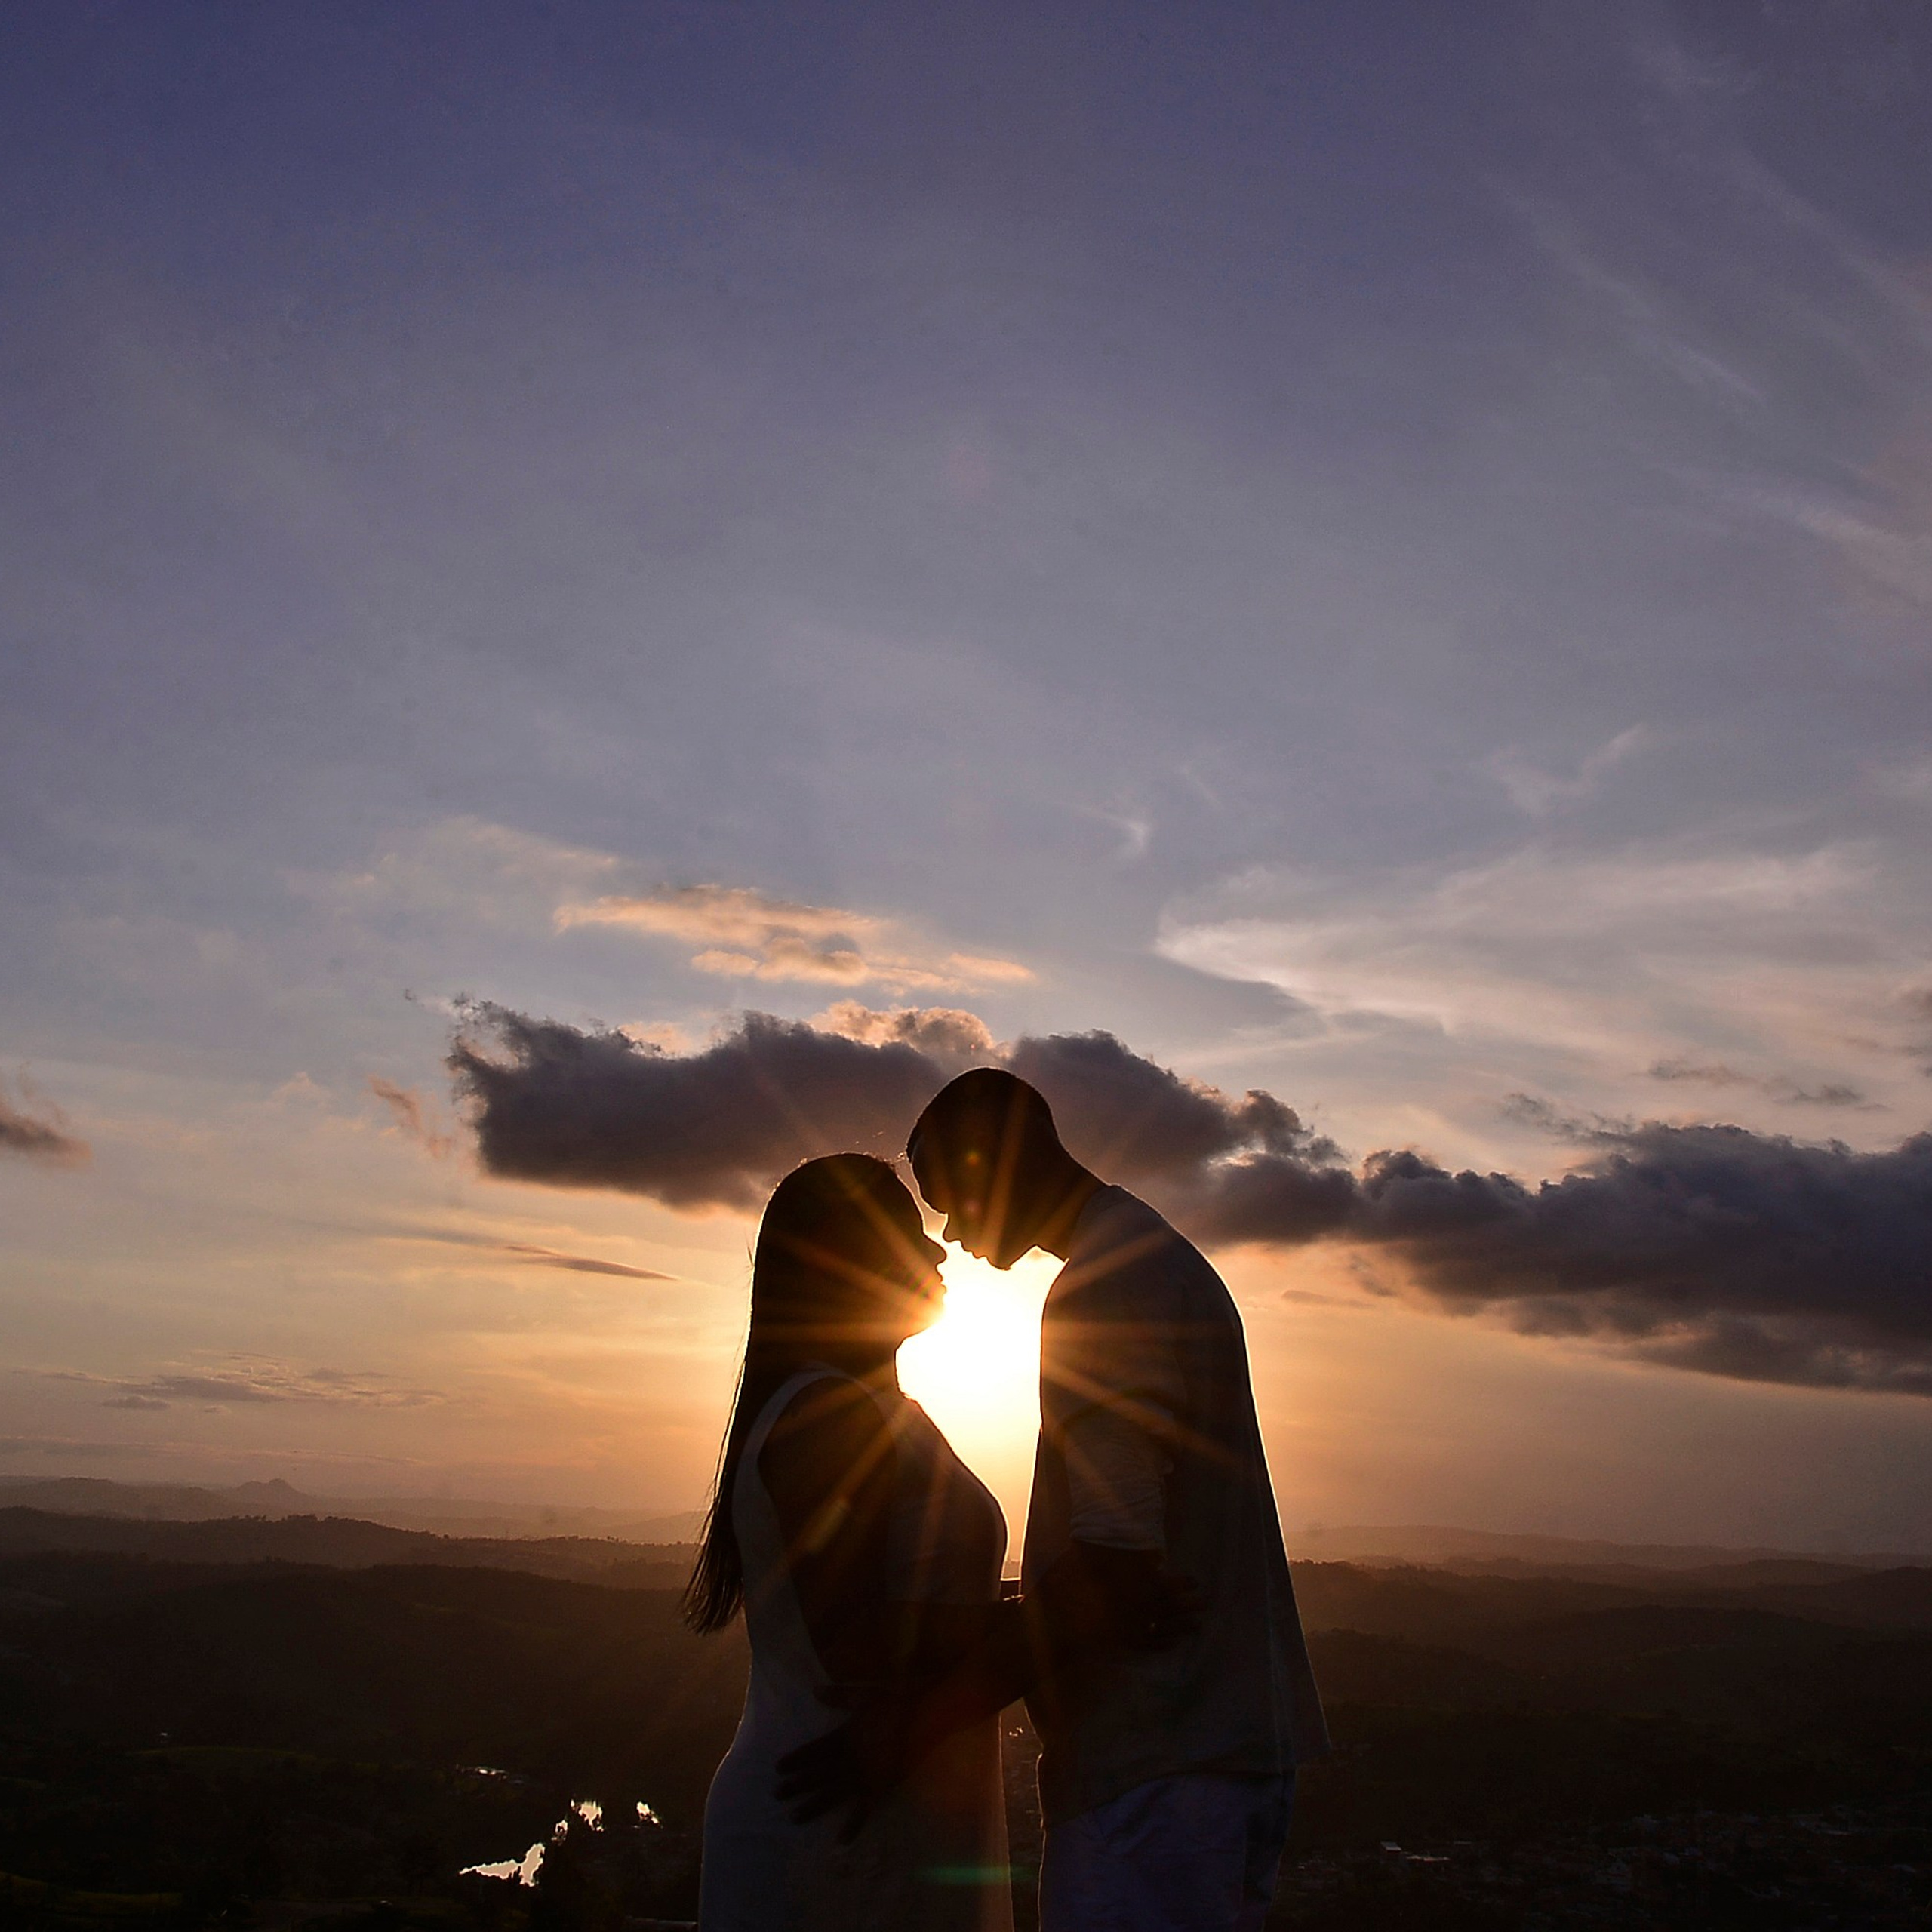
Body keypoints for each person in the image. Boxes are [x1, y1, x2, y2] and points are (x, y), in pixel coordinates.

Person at [906, 1067, 1329, 1932]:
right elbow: (1123, 1561)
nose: (948, 1233)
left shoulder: (1104, 1289)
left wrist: (915, 1723)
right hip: (1202, 1752)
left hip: (1156, 1764)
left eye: (949, 1195)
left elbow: (1117, 1565)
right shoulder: (1151, 1256)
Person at [688, 1152, 1014, 1932]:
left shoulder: (875, 1407)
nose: (936, 1250)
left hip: (868, 1809)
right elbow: (858, 1643)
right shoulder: (830, 1418)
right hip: (834, 1823)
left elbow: (914, 1597)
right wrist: (1054, 1623)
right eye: (907, 1235)